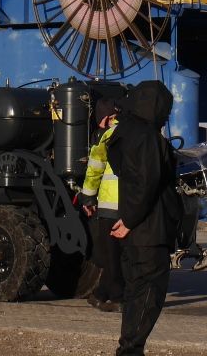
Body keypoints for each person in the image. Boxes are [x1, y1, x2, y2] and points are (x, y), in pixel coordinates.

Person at [106, 80, 183, 356]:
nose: (166, 116)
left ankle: (129, 348)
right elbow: (147, 182)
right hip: (149, 228)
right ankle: (129, 351)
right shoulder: (148, 137)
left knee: (135, 293)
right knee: (149, 294)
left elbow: (130, 175)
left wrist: (127, 219)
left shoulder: (123, 131)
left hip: (134, 228)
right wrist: (130, 219)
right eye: (165, 110)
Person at [79, 96, 123, 312]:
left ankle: (117, 297)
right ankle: (101, 293)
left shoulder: (107, 136)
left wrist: (87, 197)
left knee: (109, 253)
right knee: (121, 252)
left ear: (105, 118)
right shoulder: (142, 133)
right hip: (135, 204)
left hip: (110, 204)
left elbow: (95, 168)